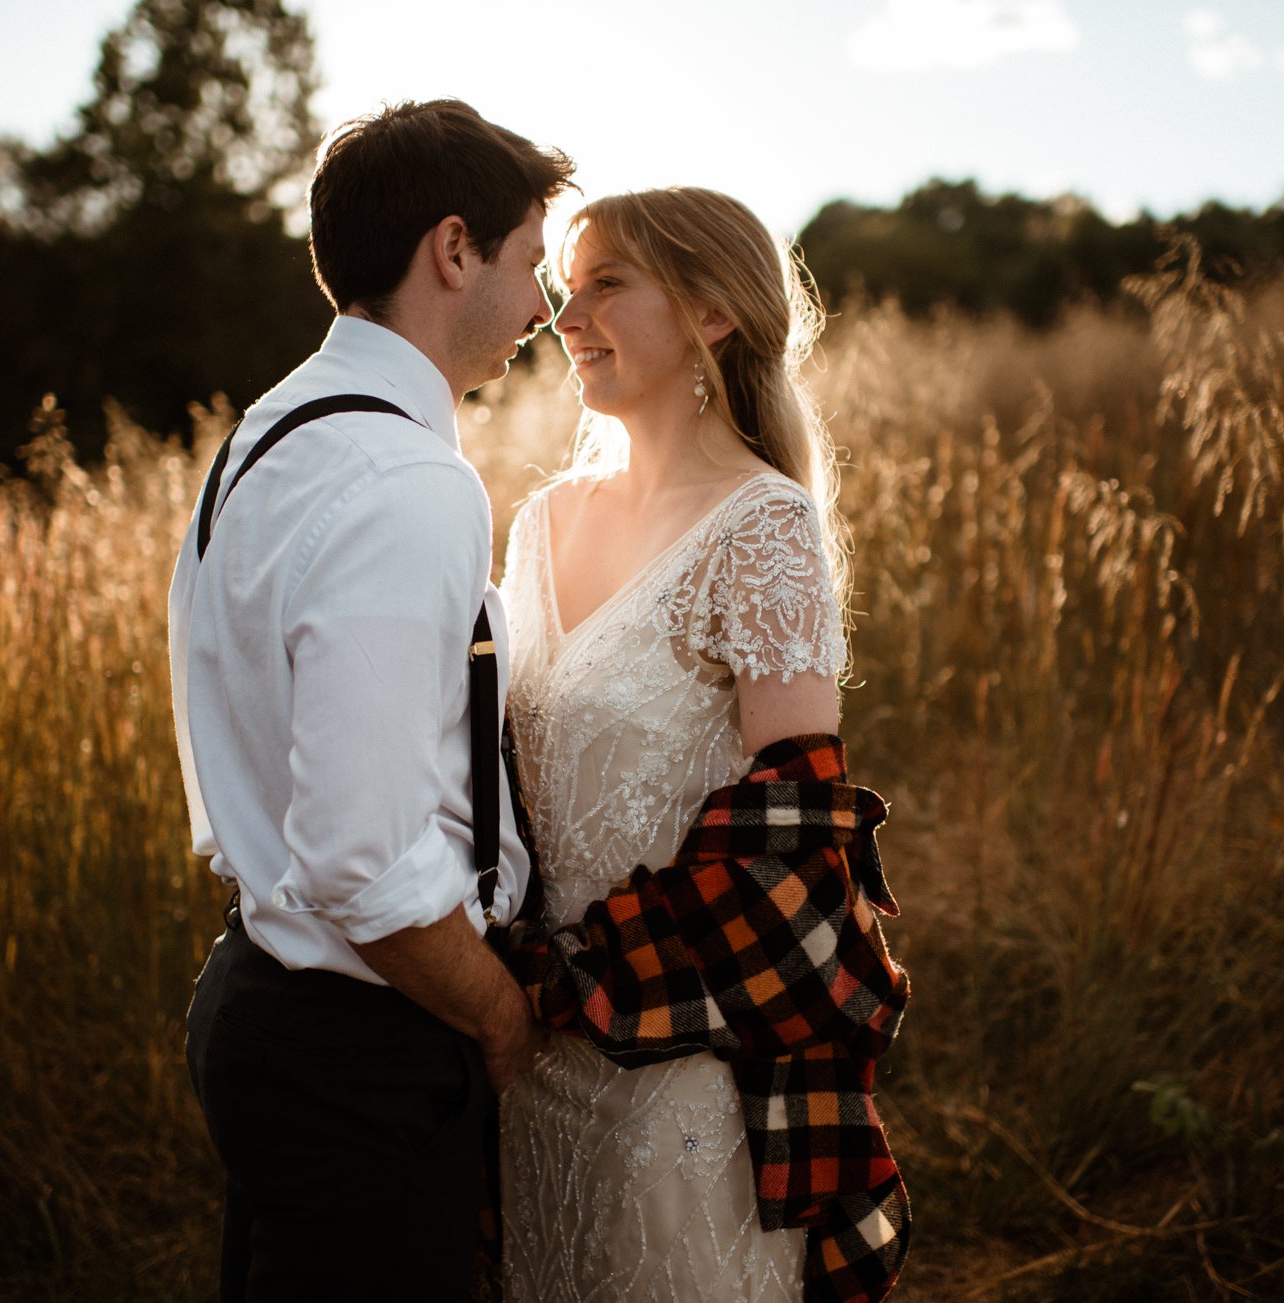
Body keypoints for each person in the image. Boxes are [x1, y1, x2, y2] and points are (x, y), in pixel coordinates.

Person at [168, 99, 574, 1302]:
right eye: (529, 265)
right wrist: (497, 1019)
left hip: (264, 998)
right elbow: (359, 861)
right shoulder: (407, 479)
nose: (542, 310)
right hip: (362, 1048)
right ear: (453, 250)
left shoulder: (268, 430)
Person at [494, 188, 909, 1302]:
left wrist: (579, 982)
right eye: (563, 289)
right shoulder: (537, 524)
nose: (566, 316)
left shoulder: (762, 525)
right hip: (527, 1066)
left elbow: (789, 842)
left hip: (678, 1067)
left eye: (607, 285)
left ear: (713, 311)